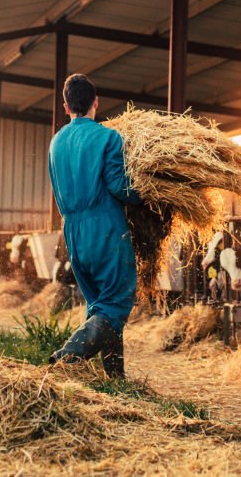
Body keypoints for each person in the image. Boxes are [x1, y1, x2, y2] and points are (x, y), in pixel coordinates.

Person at [48, 74, 141, 377]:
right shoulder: (107, 137)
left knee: (100, 306)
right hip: (106, 228)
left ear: (65, 106)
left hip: (73, 234)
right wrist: (149, 194)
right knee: (115, 303)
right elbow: (118, 187)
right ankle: (68, 355)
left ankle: (115, 381)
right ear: (96, 102)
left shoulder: (56, 143)